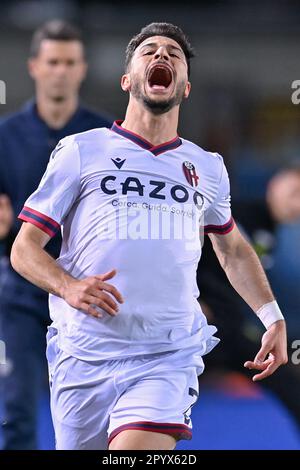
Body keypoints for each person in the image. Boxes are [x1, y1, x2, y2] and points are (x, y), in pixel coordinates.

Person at [10, 22, 287, 451]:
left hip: (166, 354)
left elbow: (231, 247)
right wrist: (69, 286)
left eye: (173, 54)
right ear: (128, 80)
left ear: (186, 87)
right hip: (84, 354)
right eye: (150, 51)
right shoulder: (82, 150)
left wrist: (272, 316)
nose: (162, 57)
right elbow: (24, 248)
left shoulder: (207, 167)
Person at [0, 20, 112, 450]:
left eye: (69, 62)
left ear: (82, 68)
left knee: (98, 419)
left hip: (89, 293)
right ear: (35, 67)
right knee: (18, 412)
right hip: (23, 295)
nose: (60, 71)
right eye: (53, 62)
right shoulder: (5, 137)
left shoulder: (106, 139)